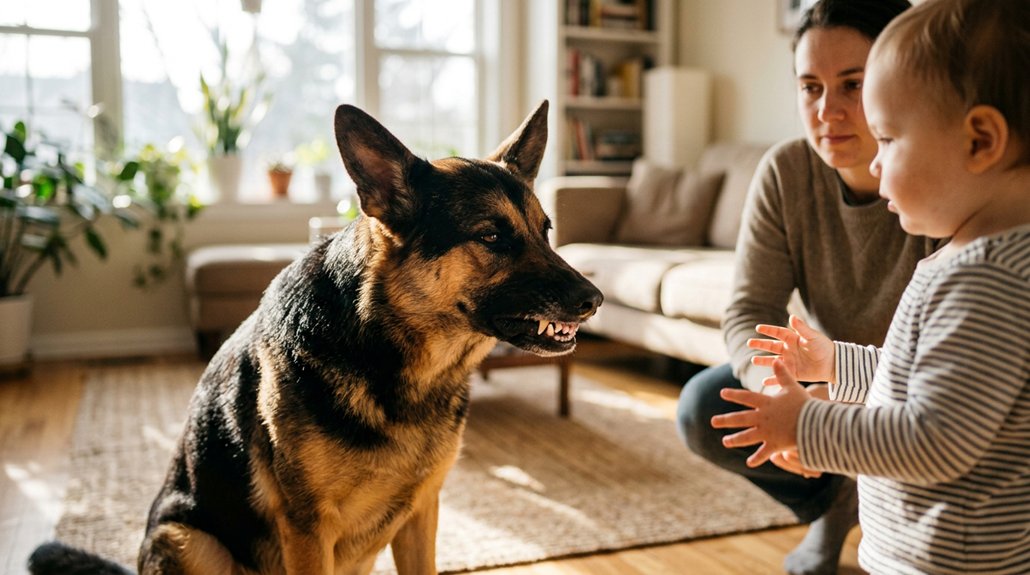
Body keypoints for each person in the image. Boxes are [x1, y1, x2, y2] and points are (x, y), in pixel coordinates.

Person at [712, 0, 1030, 572]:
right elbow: (919, 375)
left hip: (946, 560)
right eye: (809, 86)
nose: (876, 163)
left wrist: (805, 425)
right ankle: (835, 514)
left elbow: (934, 437)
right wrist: (835, 361)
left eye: (888, 139)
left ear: (980, 141)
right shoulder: (975, 258)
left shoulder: (986, 281)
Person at [674, 1, 941, 573]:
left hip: (916, 383)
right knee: (704, 408)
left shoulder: (943, 181)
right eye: (810, 87)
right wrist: (776, 390)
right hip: (827, 371)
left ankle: (871, 506)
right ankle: (835, 506)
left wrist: (842, 400)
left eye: (853, 84)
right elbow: (749, 308)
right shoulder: (786, 172)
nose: (828, 111)